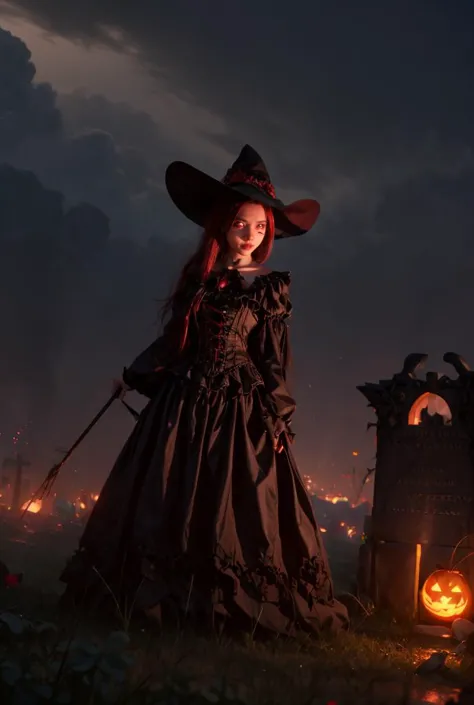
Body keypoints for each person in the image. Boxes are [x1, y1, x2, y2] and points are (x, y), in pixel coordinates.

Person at [60, 145, 349, 636]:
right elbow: (176, 342)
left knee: (236, 505)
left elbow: (274, 360)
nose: (251, 236)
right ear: (222, 224)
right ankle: (159, 593)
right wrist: (133, 375)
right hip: (186, 402)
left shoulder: (268, 288)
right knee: (166, 491)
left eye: (260, 228)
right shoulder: (200, 280)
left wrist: (279, 417)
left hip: (241, 411)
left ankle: (225, 598)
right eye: (242, 225)